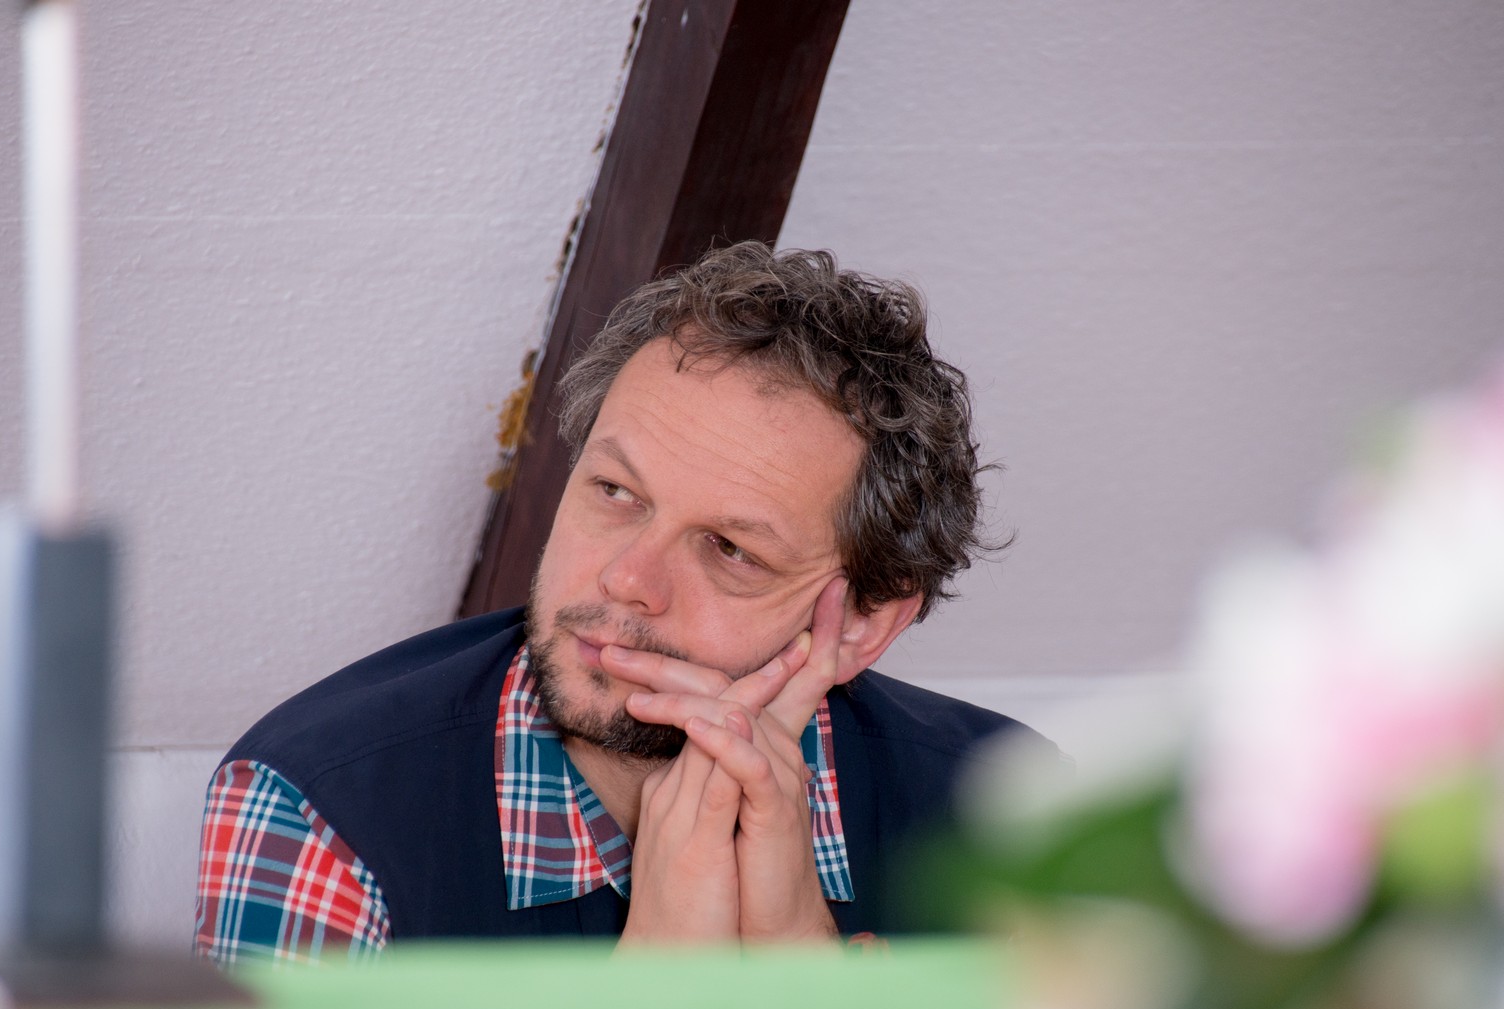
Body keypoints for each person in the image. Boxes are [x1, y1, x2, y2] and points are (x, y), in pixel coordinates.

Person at [194, 241, 1047, 965]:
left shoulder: (1016, 811)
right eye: (615, 492)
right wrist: (656, 994)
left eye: (730, 549)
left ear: (861, 624)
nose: (626, 579)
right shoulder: (318, 811)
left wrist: (802, 959)